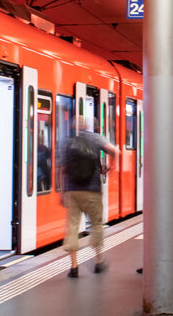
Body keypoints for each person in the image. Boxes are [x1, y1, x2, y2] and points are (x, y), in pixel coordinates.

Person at [61, 115, 118, 278]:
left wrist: (64, 192)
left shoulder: (68, 142)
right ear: (87, 125)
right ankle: (99, 262)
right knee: (96, 224)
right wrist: (111, 168)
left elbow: (62, 169)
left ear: (73, 126)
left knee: (72, 227)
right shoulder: (95, 138)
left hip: (72, 191)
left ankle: (73, 266)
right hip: (92, 190)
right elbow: (115, 151)